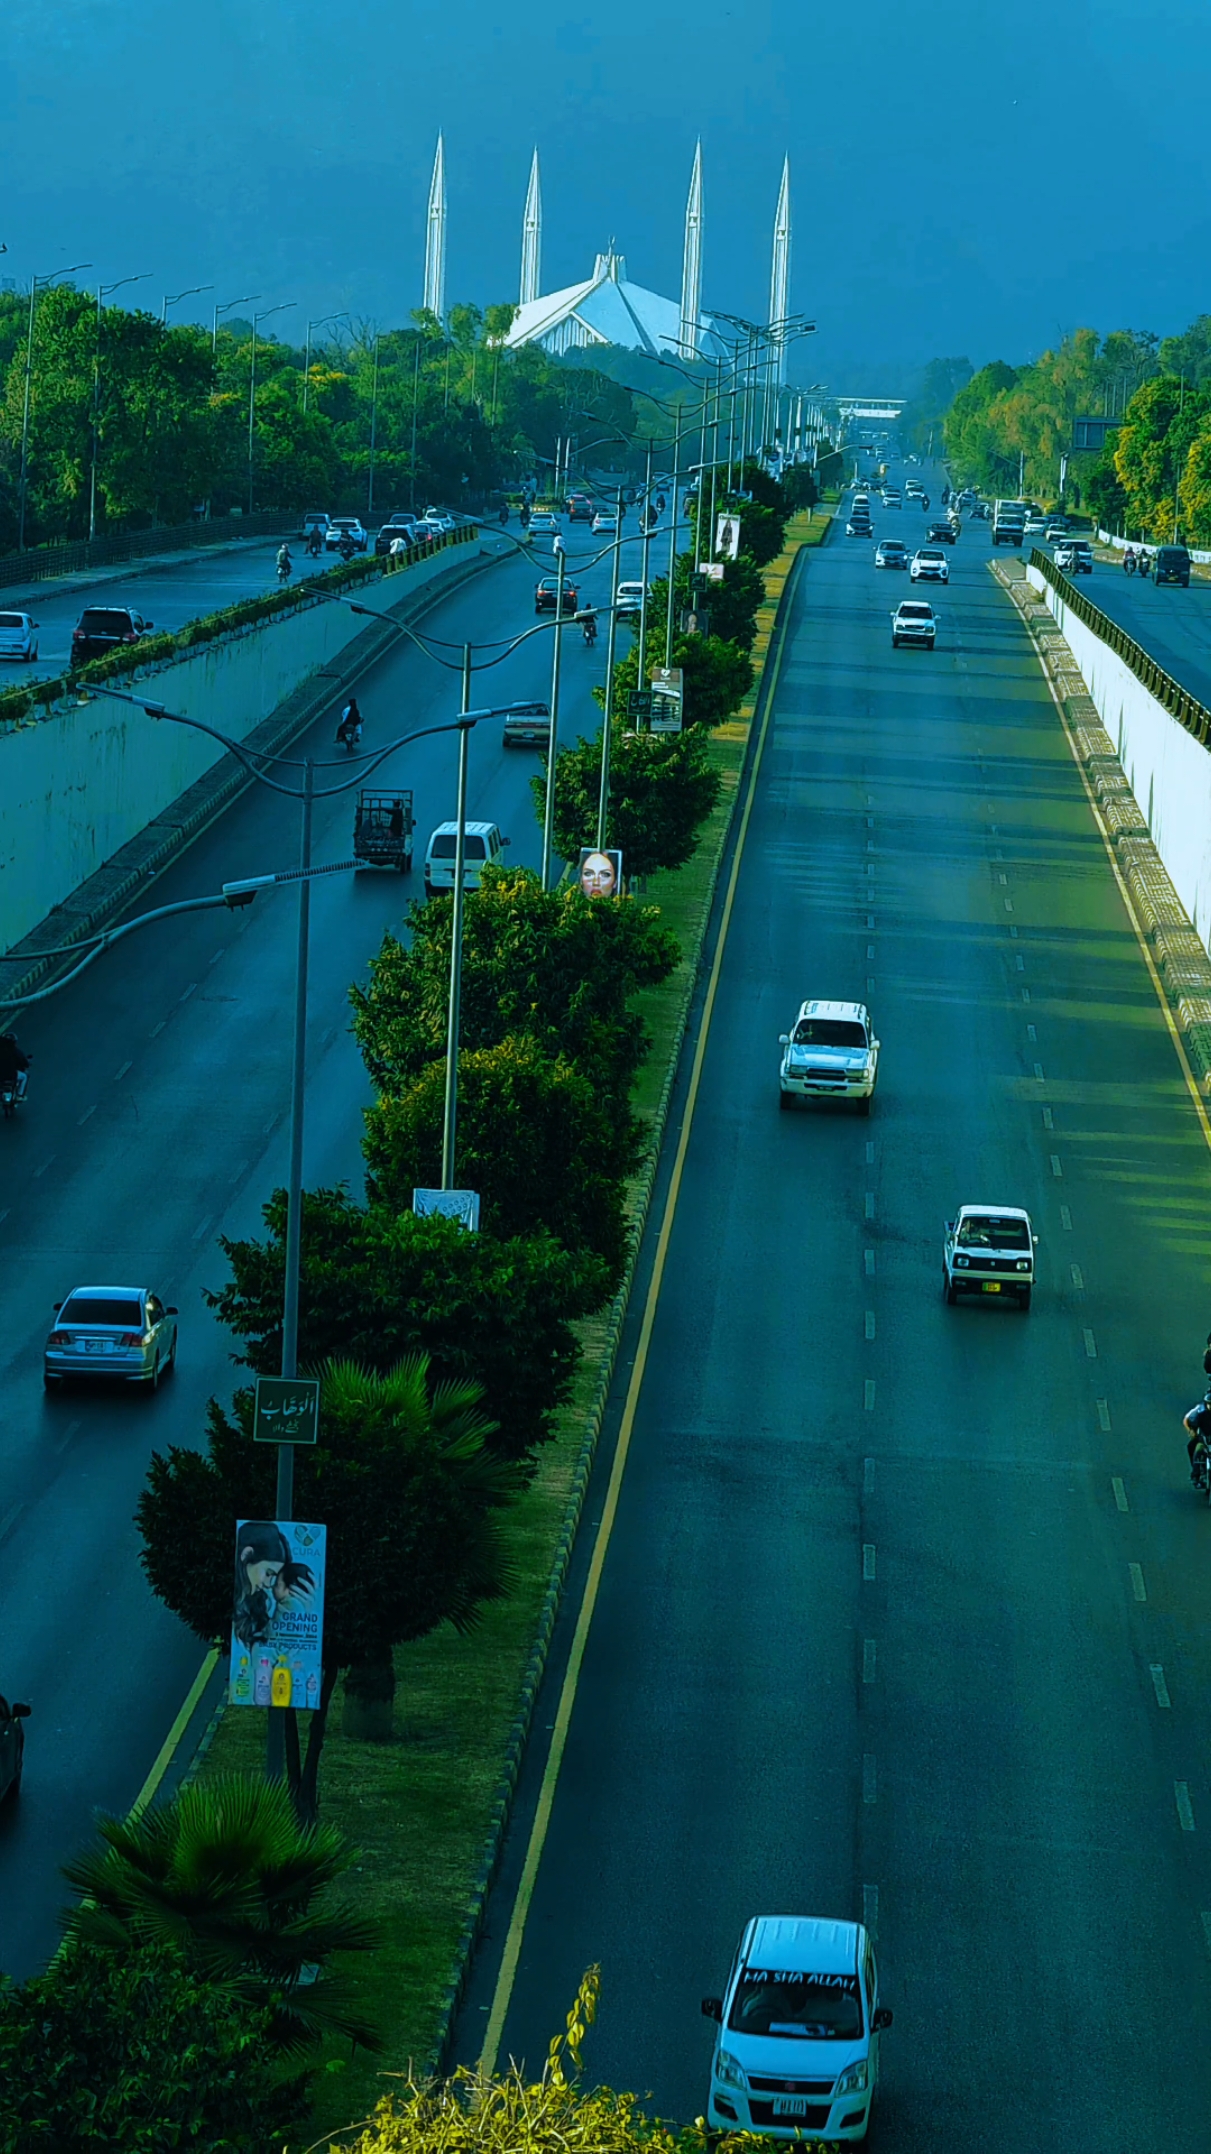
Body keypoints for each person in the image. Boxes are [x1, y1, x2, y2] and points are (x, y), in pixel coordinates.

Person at [233, 1520, 316, 1649]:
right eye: (268, 1573)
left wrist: (303, 1619)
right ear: (246, 1555)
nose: (268, 1585)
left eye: (274, 1578)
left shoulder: (255, 1612)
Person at [1184, 1397, 1211, 1487]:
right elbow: (1187, 1420)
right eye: (1209, 1404)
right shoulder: (1200, 1412)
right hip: (1204, 1439)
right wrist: (1191, 1431)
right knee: (1195, 1449)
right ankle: (1196, 1475)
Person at [0, 1033, 29, 1099]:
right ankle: (19, 1095)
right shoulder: (16, 1051)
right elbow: (24, 1062)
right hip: (11, 1075)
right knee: (24, 1076)